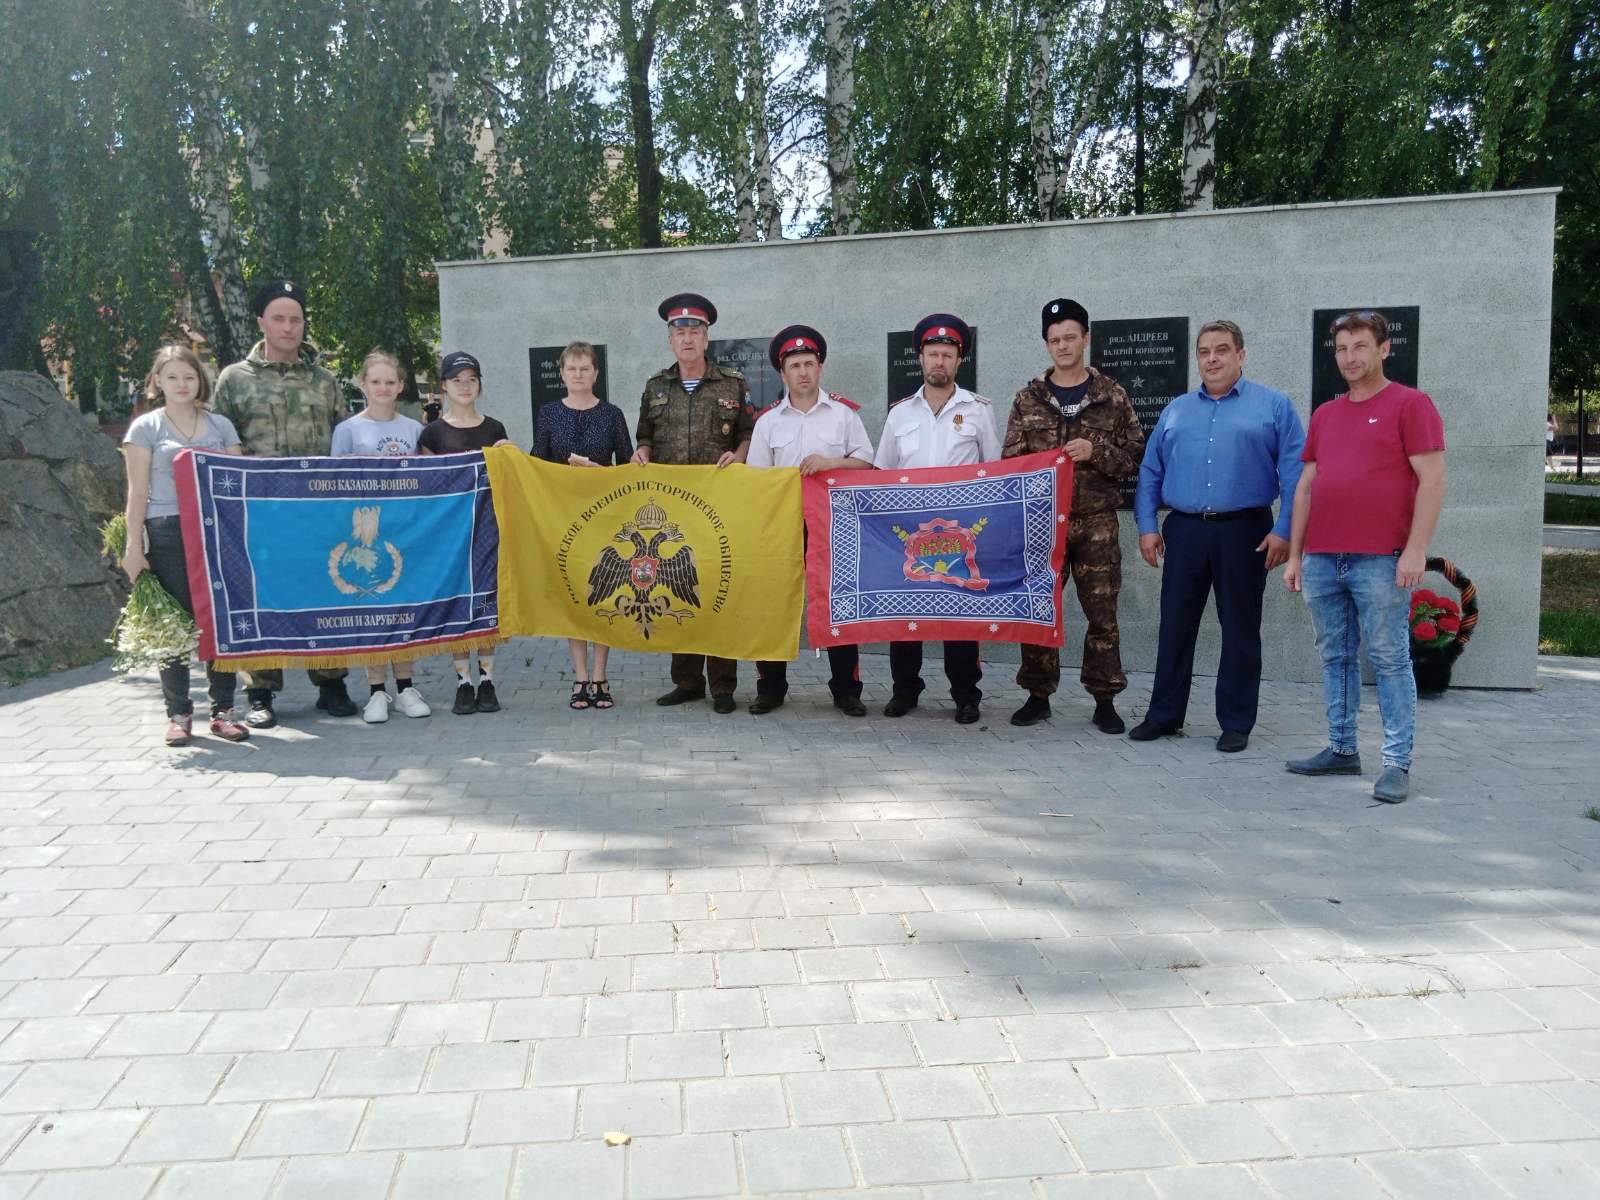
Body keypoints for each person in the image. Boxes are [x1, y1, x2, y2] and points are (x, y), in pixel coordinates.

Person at [1284, 310, 1446, 803]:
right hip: (1322, 557)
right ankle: (1341, 749)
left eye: (1359, 346)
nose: (1349, 357)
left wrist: (1415, 549)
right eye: (1341, 348)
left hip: (1380, 557)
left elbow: (1433, 480)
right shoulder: (1326, 414)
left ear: (1383, 349)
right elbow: (1306, 487)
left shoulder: (1411, 405)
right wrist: (1296, 555)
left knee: (1389, 658)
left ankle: (1396, 763)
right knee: (1335, 656)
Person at [1131, 320, 1306, 753]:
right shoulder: (1176, 411)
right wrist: (1147, 526)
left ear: (1241, 355)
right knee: (1175, 624)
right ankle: (1164, 715)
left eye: (1222, 350)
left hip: (1246, 530)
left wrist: (1285, 530)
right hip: (1185, 530)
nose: (1212, 359)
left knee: (1241, 627)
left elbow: (1296, 473)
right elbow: (1151, 470)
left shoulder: (1274, 406)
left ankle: (1236, 721)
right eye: (1204, 351)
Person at [213, 279, 358, 727]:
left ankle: (331, 683)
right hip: (260, 512)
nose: (289, 327)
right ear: (261, 322)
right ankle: (260, 691)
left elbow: (345, 440)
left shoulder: (325, 381)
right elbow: (218, 441)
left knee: (325, 589)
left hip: (318, 510)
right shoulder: (234, 379)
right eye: (279, 318)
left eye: (296, 319)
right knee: (262, 594)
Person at [1003, 298, 1144, 734]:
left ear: (1085, 339)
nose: (1062, 346)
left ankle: (1104, 699)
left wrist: (1095, 450)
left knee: (1102, 615)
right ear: (1047, 344)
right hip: (1043, 523)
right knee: (1037, 610)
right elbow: (1010, 461)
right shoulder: (1028, 398)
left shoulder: (1111, 396)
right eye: (1054, 340)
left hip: (1095, 524)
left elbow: (1135, 457)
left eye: (1069, 337)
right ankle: (1037, 695)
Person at [873, 313, 1000, 725]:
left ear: (959, 360)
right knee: (905, 612)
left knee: (959, 614)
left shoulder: (978, 410)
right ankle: (905, 690)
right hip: (909, 534)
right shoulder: (900, 414)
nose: (939, 361)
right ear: (921, 358)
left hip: (960, 534)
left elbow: (994, 471)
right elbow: (881, 473)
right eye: (933, 354)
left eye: (947, 354)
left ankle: (966, 695)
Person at [631, 292, 755, 715]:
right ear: (670, 340)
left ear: (706, 338)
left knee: (719, 589)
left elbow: (748, 433)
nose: (687, 338)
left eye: (694, 331)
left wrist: (739, 456)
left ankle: (722, 686)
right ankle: (687, 682)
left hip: (719, 506)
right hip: (673, 509)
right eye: (679, 331)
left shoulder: (732, 384)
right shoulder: (655, 386)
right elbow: (644, 434)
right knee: (676, 587)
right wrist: (642, 451)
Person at [120, 346, 250, 746]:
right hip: (168, 531)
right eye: (173, 377)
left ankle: (223, 711)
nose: (182, 384)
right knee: (174, 623)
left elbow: (241, 480)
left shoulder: (221, 426)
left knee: (220, 619)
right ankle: (178, 713)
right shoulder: (145, 428)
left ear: (201, 381)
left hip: (219, 532)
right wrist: (133, 546)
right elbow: (136, 491)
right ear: (158, 381)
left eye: (189, 377)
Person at [745, 324, 875, 717]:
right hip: (782, 526)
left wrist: (830, 462)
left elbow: (866, 462)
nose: (803, 372)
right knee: (774, 604)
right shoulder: (768, 422)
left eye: (809, 364)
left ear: (820, 367)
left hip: (834, 525)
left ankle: (846, 690)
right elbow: (757, 480)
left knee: (837, 602)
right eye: (795, 366)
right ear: (782, 374)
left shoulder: (843, 415)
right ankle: (770, 688)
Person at [330, 350, 432, 724]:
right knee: (371, 608)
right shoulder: (347, 430)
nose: (383, 388)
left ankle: (406, 687)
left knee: (403, 607)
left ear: (401, 385)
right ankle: (376, 691)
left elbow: (426, 480)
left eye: (390, 381)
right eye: (376, 381)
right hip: (365, 531)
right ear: (363, 384)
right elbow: (334, 485)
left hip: (404, 530)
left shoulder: (413, 429)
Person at [532, 341, 634, 711]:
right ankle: (579, 677)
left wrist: (598, 471)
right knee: (574, 595)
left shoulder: (612, 414)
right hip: (564, 517)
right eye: (571, 369)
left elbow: (628, 467)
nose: (578, 374)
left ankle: (601, 677)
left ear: (595, 373)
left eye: (585, 368)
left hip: (604, 516)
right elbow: (537, 462)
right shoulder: (548, 413)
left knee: (603, 593)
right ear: (561, 373)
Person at [418, 350, 512, 715]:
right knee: (458, 602)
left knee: (487, 601)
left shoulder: (495, 429)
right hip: (451, 532)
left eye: (471, 380)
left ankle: (487, 679)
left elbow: (506, 476)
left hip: (488, 528)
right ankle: (463, 681)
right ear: (444, 386)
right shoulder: (432, 433)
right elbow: (426, 487)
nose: (465, 386)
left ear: (480, 385)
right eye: (457, 380)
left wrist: (509, 455)